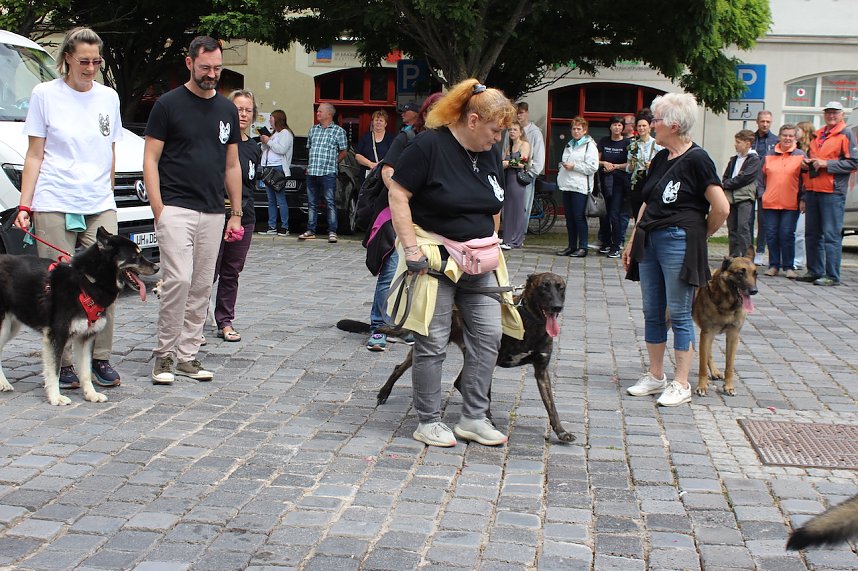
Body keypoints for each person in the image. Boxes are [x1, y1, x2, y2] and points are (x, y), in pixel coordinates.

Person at [387, 79, 520, 448]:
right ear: (473, 120)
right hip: (437, 259)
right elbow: (398, 193)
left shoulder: (489, 150)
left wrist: (492, 241)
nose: (498, 140)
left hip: (480, 260)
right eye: (495, 131)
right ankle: (428, 420)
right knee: (433, 341)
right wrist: (411, 249)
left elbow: (494, 204)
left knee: (489, 335)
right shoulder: (428, 146)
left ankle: (473, 417)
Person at [14, 27, 124, 390]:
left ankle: (99, 358)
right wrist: (25, 203)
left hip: (97, 201)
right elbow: (34, 154)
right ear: (66, 59)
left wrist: (107, 193)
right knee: (60, 283)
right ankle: (61, 362)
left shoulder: (108, 97)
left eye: (96, 61)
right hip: (55, 198)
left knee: (106, 280)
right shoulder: (44, 94)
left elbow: (109, 151)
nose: (91, 68)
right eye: (84, 61)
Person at [144, 36, 243, 385]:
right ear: (189, 63)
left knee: (201, 284)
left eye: (217, 68)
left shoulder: (227, 109)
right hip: (175, 208)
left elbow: (232, 165)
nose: (212, 75)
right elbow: (150, 159)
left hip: (214, 210)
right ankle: (164, 355)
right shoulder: (168, 105)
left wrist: (236, 212)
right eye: (205, 68)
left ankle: (187, 355)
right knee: (178, 281)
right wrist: (159, 209)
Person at [622, 93, 729, 407]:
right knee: (652, 311)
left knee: (680, 314)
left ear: (673, 124)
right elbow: (647, 202)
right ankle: (656, 376)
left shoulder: (698, 159)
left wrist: (696, 236)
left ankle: (681, 383)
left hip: (678, 241)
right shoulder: (660, 157)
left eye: (655, 120)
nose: (651, 124)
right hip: (651, 240)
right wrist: (632, 240)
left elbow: (721, 208)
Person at [365, 94, 443, 352]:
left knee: (417, 272)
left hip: (426, 218)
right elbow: (388, 171)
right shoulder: (408, 137)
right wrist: (402, 195)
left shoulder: (449, 141)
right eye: (434, 110)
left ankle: (406, 324)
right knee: (389, 271)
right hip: (393, 212)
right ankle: (379, 326)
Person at [212, 90, 260, 343]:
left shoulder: (253, 147)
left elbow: (250, 185)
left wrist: (241, 214)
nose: (242, 114)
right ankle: (194, 322)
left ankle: (225, 320)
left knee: (232, 271)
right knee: (208, 271)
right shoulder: (218, 142)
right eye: (238, 109)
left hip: (245, 217)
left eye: (247, 110)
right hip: (215, 214)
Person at [797, 101, 858, 286]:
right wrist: (807, 163)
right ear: (825, 114)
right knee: (812, 234)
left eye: (835, 112)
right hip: (814, 189)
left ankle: (832, 275)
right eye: (828, 112)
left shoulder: (846, 134)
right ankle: (815, 271)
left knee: (831, 235)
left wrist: (827, 164)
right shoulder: (819, 133)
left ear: (841, 115)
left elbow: (854, 162)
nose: (831, 115)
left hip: (833, 191)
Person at [299, 102, 348, 243]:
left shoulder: (338, 131)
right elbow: (309, 149)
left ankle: (332, 231)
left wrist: (333, 162)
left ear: (329, 114)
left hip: (328, 172)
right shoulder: (313, 130)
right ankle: (310, 230)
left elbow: (344, 151)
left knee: (330, 202)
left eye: (320, 111)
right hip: (313, 171)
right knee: (311, 202)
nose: (318, 114)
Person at [761, 124, 805, 279]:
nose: (787, 138)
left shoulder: (800, 155)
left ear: (795, 138)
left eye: (791, 136)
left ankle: (788, 266)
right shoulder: (768, 155)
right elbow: (760, 178)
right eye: (785, 135)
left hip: (791, 202)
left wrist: (803, 199)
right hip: (770, 202)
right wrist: (762, 194)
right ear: (779, 136)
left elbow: (805, 180)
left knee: (786, 234)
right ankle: (773, 265)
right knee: (772, 234)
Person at [556, 117, 599, 257]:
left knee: (579, 217)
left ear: (584, 130)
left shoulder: (589, 146)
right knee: (569, 218)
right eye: (574, 128)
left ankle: (583, 247)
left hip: (580, 186)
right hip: (567, 184)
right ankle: (571, 246)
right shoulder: (569, 144)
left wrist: (574, 166)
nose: (576, 131)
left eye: (579, 129)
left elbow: (593, 167)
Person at [721, 129, 760, 258]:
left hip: (744, 197)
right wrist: (725, 182)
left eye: (738, 142)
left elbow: (744, 178)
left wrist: (727, 184)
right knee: (732, 228)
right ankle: (733, 255)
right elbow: (726, 176)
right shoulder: (734, 160)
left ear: (748, 143)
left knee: (743, 227)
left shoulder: (754, 160)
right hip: (731, 198)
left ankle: (747, 257)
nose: (735, 145)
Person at [597, 115, 632, 258]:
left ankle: (616, 245)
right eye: (614, 125)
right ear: (610, 126)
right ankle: (605, 242)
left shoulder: (627, 143)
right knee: (604, 214)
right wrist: (604, 163)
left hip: (619, 183)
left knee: (614, 214)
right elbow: (595, 160)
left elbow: (630, 164)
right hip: (604, 182)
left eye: (619, 125)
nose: (617, 127)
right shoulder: (603, 141)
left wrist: (616, 166)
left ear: (623, 127)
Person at [749, 110, 779, 264]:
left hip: (765, 183)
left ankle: (760, 250)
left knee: (763, 219)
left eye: (768, 121)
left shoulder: (776, 140)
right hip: (749, 182)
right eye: (762, 121)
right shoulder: (750, 139)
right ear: (757, 122)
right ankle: (748, 251)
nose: (765, 124)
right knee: (748, 218)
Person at [258, 109, 293, 236]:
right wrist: (264, 141)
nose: (270, 121)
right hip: (268, 167)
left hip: (278, 168)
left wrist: (269, 141)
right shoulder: (274, 134)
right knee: (271, 200)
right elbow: (265, 149)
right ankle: (271, 225)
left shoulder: (285, 133)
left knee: (280, 199)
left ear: (277, 119)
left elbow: (282, 149)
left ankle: (285, 226)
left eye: (271, 118)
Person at [515, 102, 546, 233]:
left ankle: (519, 235)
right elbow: (505, 152)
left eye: (521, 113)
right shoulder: (511, 130)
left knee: (523, 206)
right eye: (516, 113)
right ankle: (510, 233)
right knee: (511, 206)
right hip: (510, 174)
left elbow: (538, 156)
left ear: (527, 113)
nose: (518, 116)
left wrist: (532, 173)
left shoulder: (534, 132)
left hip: (525, 173)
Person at [501, 120, 531, 250]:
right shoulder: (508, 146)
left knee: (518, 210)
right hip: (508, 179)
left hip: (517, 180)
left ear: (520, 132)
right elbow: (502, 160)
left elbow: (523, 162)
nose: (512, 132)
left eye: (514, 130)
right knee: (507, 209)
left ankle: (516, 240)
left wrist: (508, 163)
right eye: (510, 130)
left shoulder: (524, 145)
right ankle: (507, 238)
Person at [626, 113, 662, 221]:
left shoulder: (657, 144)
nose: (641, 128)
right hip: (637, 182)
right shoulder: (633, 145)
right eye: (639, 126)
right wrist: (631, 166)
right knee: (637, 213)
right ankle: (638, 235)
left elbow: (663, 164)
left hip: (651, 180)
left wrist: (652, 165)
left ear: (649, 127)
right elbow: (628, 168)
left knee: (649, 212)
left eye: (644, 125)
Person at [793, 120, 816, 270]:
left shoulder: (810, 152)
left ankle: (800, 261)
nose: (795, 133)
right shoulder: (797, 149)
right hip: (795, 194)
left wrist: (804, 198)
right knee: (797, 231)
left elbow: (808, 178)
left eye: (798, 130)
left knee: (802, 231)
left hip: (807, 194)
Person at [355, 110, 394, 179]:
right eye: (376, 120)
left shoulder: (391, 138)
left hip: (384, 174)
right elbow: (357, 155)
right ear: (372, 122)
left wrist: (380, 165)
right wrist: (371, 164)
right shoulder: (365, 137)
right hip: (366, 175)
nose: (378, 122)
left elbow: (393, 155)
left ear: (385, 124)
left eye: (381, 120)